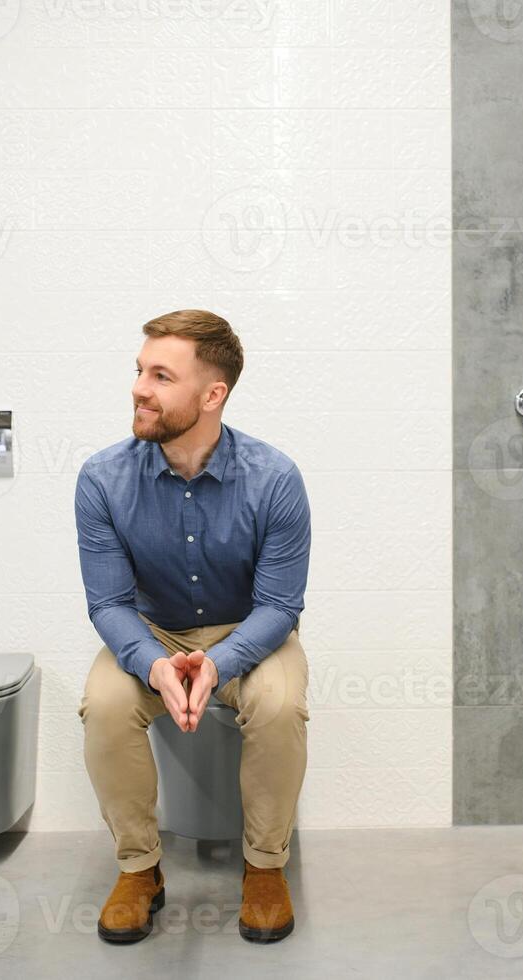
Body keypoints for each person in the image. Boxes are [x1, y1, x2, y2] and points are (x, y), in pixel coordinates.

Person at [75, 309, 312, 944]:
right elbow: (108, 602)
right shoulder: (102, 479)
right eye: (139, 371)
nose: (139, 388)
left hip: (248, 632)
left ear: (213, 395)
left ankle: (264, 867)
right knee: (103, 704)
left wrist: (219, 663)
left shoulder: (275, 479)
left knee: (281, 703)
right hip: (151, 630)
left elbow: (281, 606)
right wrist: (153, 661)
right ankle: (139, 870)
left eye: (160, 375)